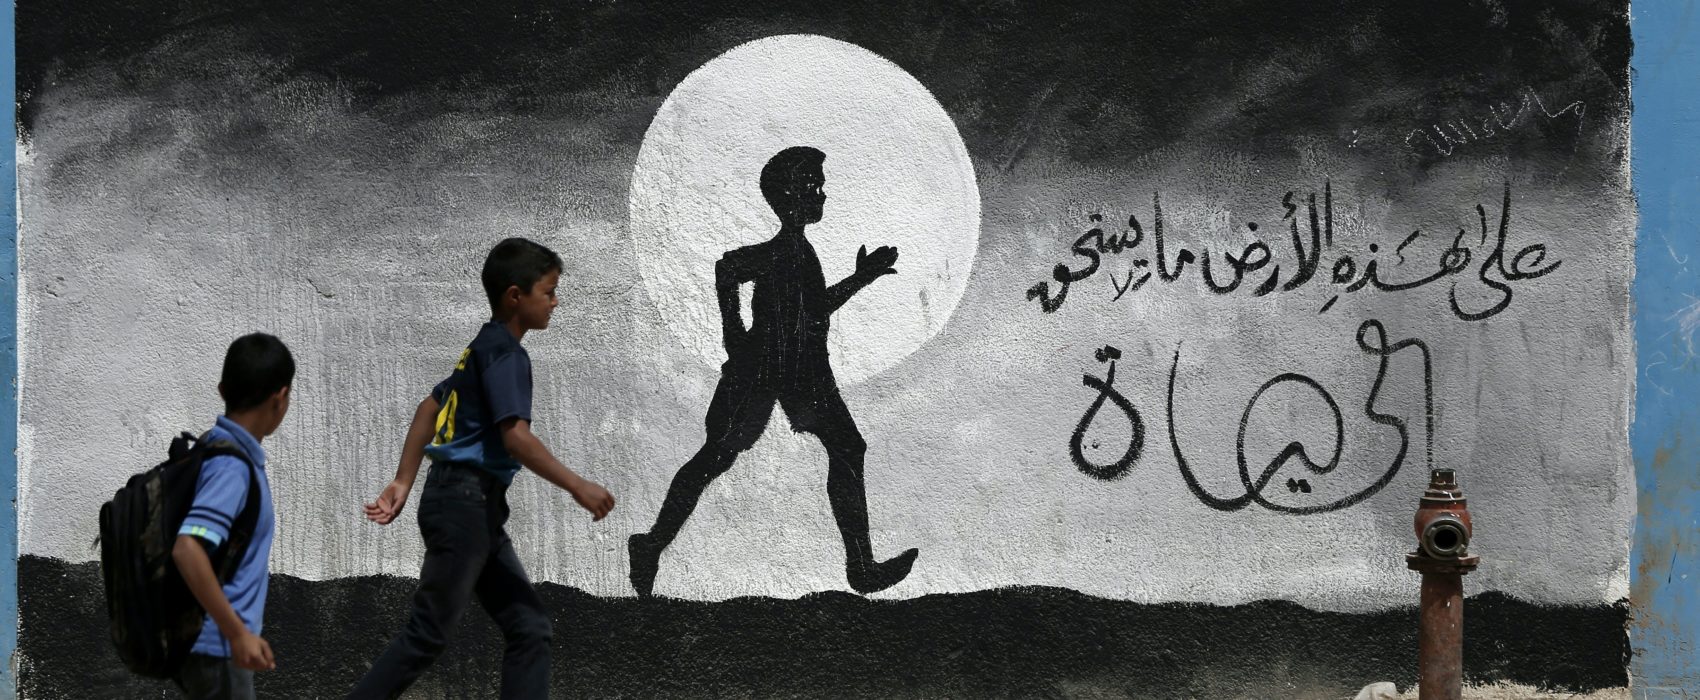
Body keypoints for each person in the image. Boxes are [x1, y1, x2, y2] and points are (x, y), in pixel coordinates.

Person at [628, 146, 918, 598]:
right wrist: (733, 333)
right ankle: (650, 546)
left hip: (798, 372)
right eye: (813, 186)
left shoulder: (797, 250)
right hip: (766, 370)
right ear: (789, 194)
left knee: (838, 447)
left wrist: (863, 277)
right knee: (720, 456)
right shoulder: (783, 251)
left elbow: (815, 308)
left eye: (820, 185)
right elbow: (727, 268)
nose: (822, 194)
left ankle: (861, 567)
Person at [350, 237, 617, 699]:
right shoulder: (506, 354)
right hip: (464, 506)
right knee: (427, 634)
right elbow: (515, 437)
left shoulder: (480, 348)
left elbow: (428, 408)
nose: (555, 301)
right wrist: (578, 485)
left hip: (473, 508)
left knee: (530, 628)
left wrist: (403, 480)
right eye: (549, 291)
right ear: (516, 296)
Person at [172, 333, 294, 699]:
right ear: (280, 398)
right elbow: (187, 549)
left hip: (210, 645)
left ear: (222, 390)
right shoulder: (231, 467)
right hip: (218, 648)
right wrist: (238, 633)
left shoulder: (215, 447)